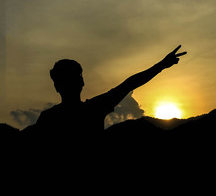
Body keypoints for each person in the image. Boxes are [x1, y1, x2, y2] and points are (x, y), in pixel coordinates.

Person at [26, 45, 187, 138]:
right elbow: (129, 84)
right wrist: (161, 65)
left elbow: (129, 84)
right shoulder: (93, 109)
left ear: (56, 86)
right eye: (77, 76)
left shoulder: (48, 118)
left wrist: (162, 65)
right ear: (81, 82)